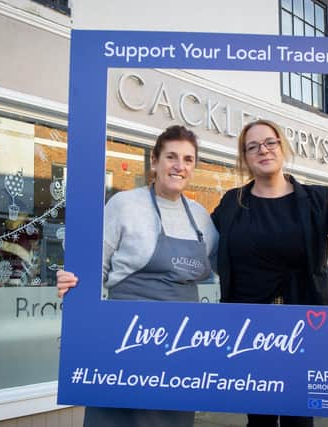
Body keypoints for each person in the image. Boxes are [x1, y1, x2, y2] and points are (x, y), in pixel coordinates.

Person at [210, 119, 328, 427]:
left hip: (304, 329)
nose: (263, 150)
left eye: (269, 142)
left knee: (299, 418)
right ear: (245, 157)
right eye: (253, 146)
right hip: (250, 332)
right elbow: (201, 239)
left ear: (282, 146)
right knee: (260, 420)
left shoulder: (317, 199)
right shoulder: (231, 204)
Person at [57, 125, 218, 427]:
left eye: (188, 159)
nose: (179, 166)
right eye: (171, 157)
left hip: (180, 350)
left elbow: (227, 265)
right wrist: (71, 280)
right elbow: (93, 267)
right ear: (154, 162)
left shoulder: (200, 216)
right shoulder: (125, 204)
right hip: (125, 345)